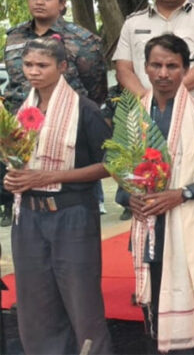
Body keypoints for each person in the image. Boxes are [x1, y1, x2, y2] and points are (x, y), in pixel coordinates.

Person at [116, 34, 194, 353]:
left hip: (189, 225)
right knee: (154, 311)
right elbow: (118, 167)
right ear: (145, 68)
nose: (163, 73)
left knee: (192, 308)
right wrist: (129, 197)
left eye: (172, 66)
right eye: (156, 65)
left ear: (185, 70)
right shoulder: (133, 118)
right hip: (149, 228)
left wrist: (183, 193)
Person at [3, 36, 113, 354]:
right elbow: (15, 159)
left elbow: (111, 165)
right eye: (28, 65)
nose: (33, 72)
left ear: (62, 66)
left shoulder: (85, 109)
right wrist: (12, 179)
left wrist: (50, 176)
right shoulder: (21, 110)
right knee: (35, 304)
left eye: (42, 65)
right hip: (28, 216)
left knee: (82, 302)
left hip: (71, 213)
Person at [3, 0, 107, 224]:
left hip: (68, 135)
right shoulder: (15, 36)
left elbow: (95, 90)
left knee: (70, 209)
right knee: (27, 211)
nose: (39, 1)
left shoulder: (83, 40)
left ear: (62, 4)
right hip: (23, 135)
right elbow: (15, 84)